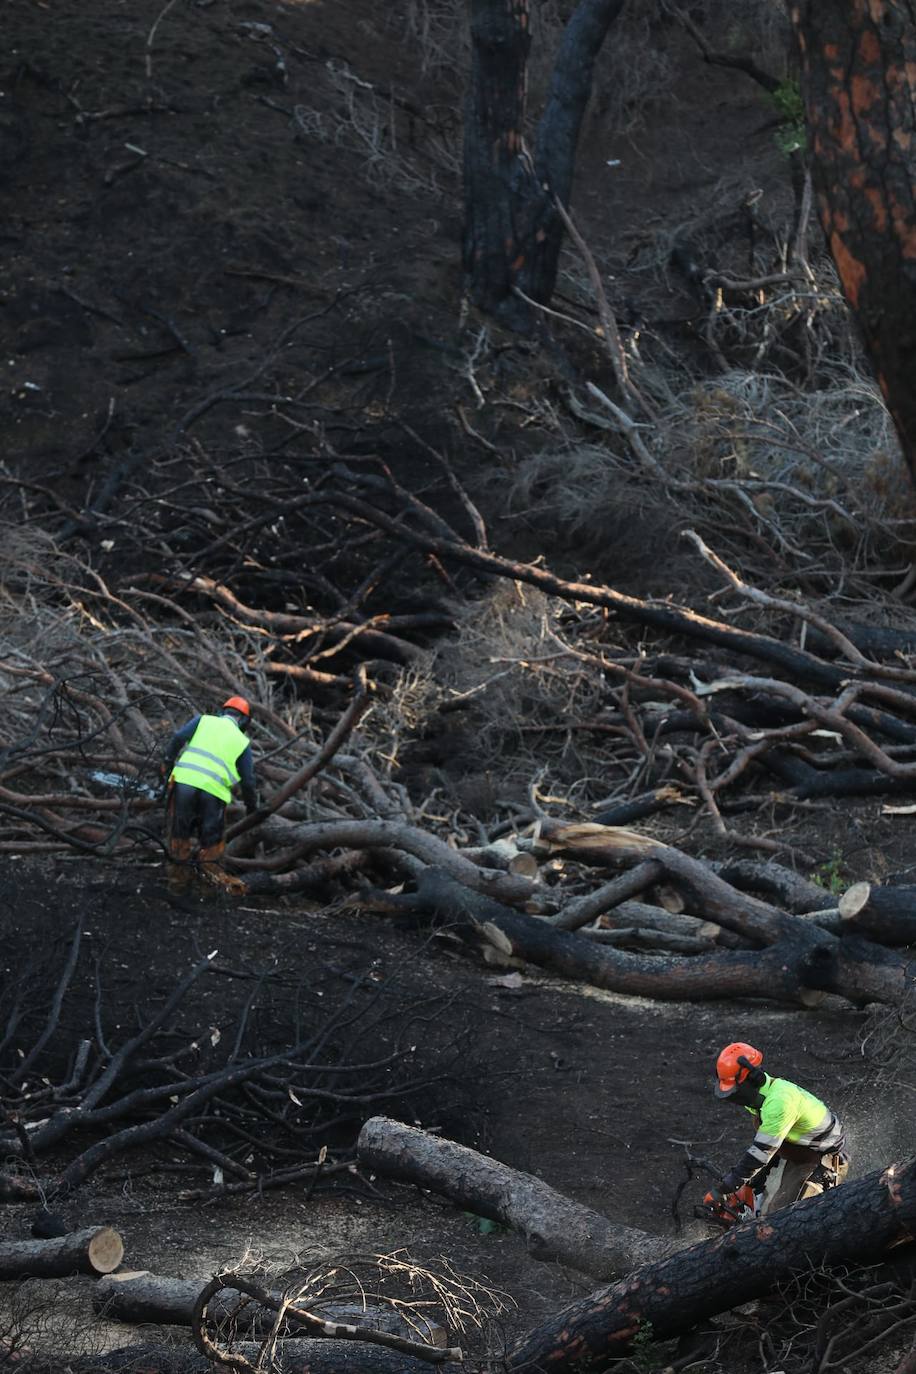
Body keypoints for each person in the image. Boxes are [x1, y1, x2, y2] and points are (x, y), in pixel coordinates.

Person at [711, 1041, 849, 1216]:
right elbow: (769, 1142)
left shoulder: (779, 1102)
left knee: (781, 1216)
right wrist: (751, 1183)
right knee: (760, 1198)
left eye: (735, 1091)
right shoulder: (758, 1100)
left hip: (823, 1159)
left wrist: (726, 1187)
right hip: (797, 1149)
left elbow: (762, 1152)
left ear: (753, 1079)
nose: (734, 1098)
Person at [163, 695, 258, 893]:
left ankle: (177, 883)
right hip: (213, 794)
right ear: (244, 721)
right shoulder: (242, 741)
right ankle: (208, 884)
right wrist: (252, 807)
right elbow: (248, 781)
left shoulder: (203, 720)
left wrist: (167, 760)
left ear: (223, 711)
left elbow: (179, 737)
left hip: (184, 784)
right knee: (211, 840)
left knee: (179, 833)